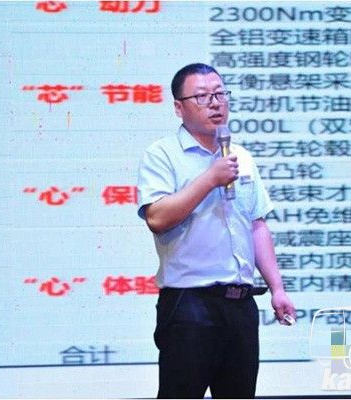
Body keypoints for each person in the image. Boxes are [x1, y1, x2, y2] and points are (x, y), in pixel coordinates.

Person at [137, 63, 296, 399]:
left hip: (240, 305)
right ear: (178, 107)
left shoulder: (241, 157)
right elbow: (157, 217)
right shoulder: (162, 154)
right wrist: (210, 178)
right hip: (189, 304)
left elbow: (257, 226)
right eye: (202, 96)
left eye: (220, 94)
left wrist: (278, 288)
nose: (215, 103)